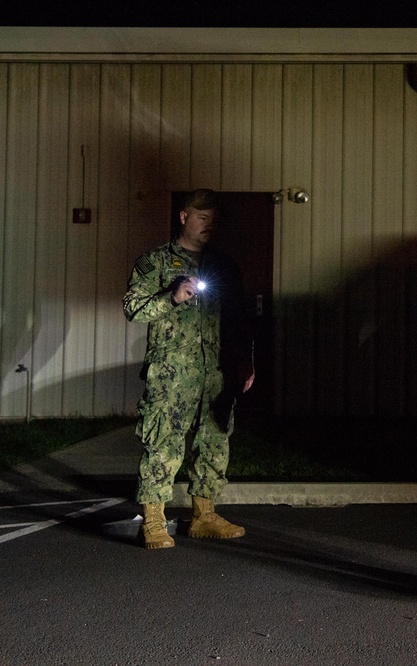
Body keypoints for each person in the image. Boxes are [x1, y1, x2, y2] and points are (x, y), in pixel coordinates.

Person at [124, 188, 255, 550]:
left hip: (215, 372)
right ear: (183, 217)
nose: (208, 225)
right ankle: (152, 520)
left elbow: (238, 318)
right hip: (171, 373)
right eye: (201, 218)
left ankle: (203, 515)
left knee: (214, 442)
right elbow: (133, 309)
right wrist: (172, 296)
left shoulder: (223, 265)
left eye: (213, 219)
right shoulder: (155, 262)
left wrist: (246, 359)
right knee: (163, 443)